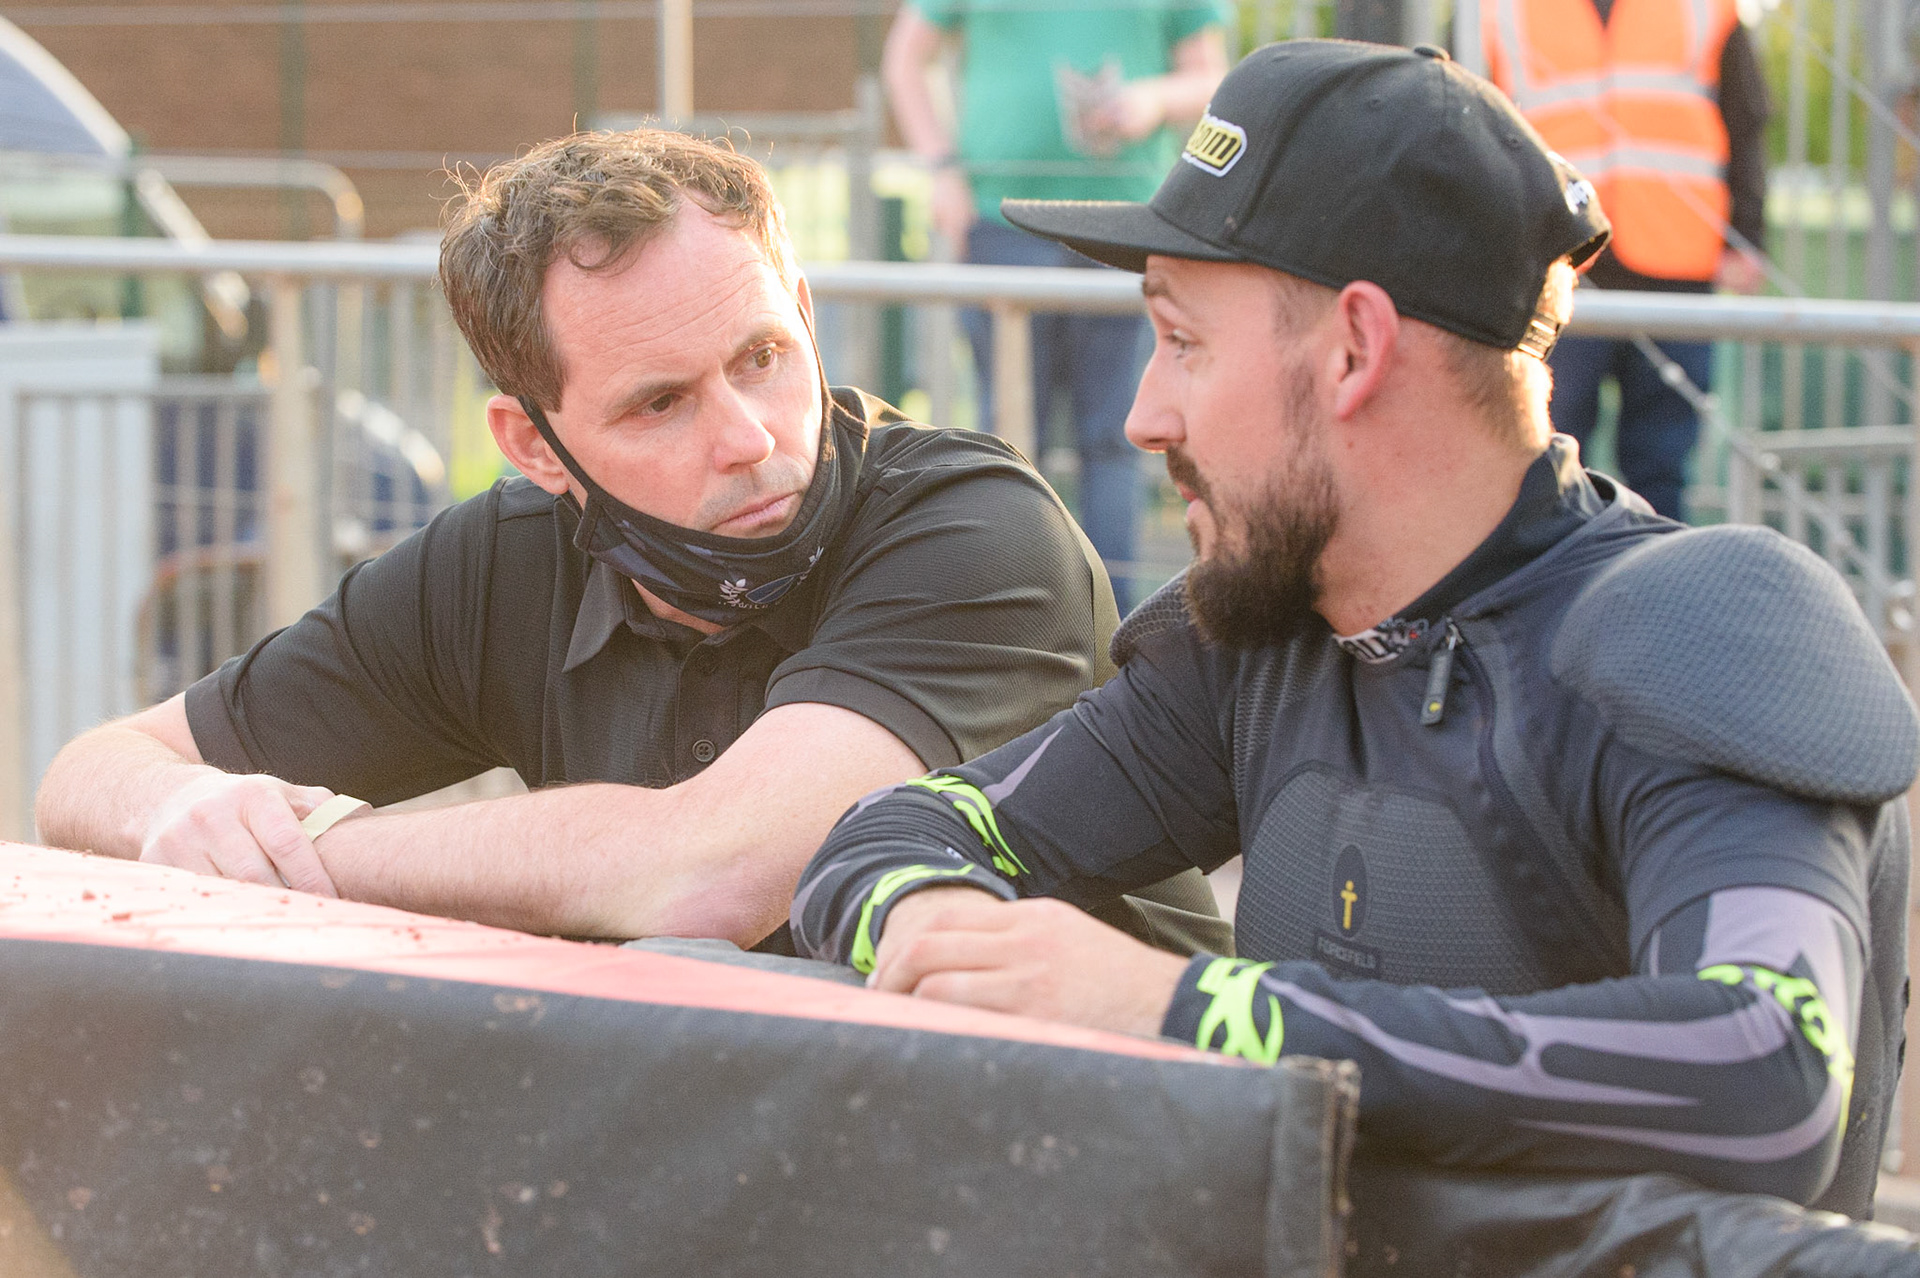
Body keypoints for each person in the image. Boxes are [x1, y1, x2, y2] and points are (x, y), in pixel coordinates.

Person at [792, 41, 1915, 1218]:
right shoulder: (1263, 636)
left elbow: (1769, 1071)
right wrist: (946, 929)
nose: (1141, 415)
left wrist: (1182, 1012)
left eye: (1183, 343)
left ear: (1355, 350)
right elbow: (887, 836)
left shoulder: (1701, 623)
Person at [33, 130, 1225, 957]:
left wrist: (309, 852)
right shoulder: (496, 564)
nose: (751, 439)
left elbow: (719, 870)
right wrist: (175, 813)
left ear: (805, 315)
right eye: (662, 404)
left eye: (764, 358)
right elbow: (86, 773)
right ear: (535, 445)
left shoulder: (972, 525)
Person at [882, 0, 1231, 607]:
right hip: (1001, 224)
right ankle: (1016, 617)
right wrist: (942, 169)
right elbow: (904, 60)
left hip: (1123, 228)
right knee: (1010, 435)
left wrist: (1152, 98)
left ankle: (1115, 628)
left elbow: (1211, 79)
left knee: (1117, 436)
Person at [1484, 0, 1771, 520]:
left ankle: (1656, 589)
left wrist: (1745, 237)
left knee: (1663, 460)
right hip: (1553, 265)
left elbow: (1745, 115)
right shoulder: (1499, 10)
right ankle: (1558, 594)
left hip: (1675, 259)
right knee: (1547, 455)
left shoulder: (1707, 8)